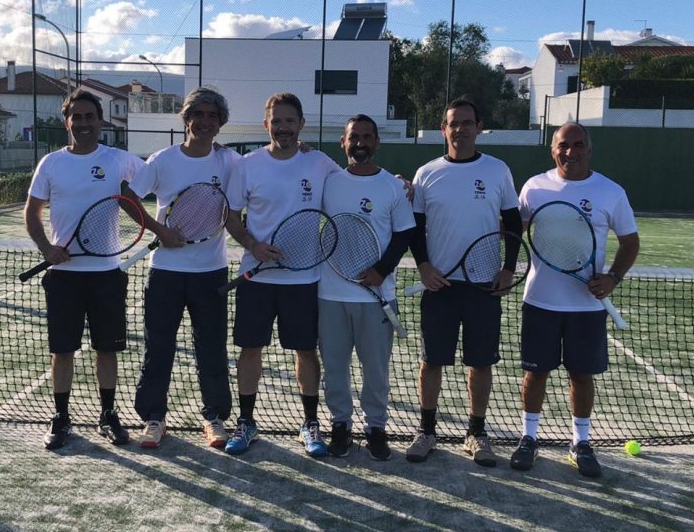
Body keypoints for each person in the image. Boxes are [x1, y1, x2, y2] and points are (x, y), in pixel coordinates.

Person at [510, 122, 640, 478]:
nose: (571, 152)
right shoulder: (534, 187)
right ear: (553, 150)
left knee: (581, 376)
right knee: (535, 373)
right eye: (563, 145)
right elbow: (511, 232)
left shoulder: (610, 192)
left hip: (586, 307)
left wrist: (612, 278)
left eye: (578, 145)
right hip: (540, 301)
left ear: (589, 149)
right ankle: (528, 437)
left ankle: (580, 442)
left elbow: (630, 243)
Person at [222, 92, 342, 457]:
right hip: (256, 279)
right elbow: (230, 217)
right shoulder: (246, 165)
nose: (283, 128)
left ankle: (309, 424)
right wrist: (253, 245)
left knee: (306, 352)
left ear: (301, 125)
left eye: (290, 121)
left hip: (304, 281)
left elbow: (355, 186)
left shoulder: (320, 163)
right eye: (277, 121)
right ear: (266, 124)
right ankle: (246, 422)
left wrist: (396, 181)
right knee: (250, 350)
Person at [25, 89, 145, 451]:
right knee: (62, 351)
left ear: (101, 121)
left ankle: (108, 415)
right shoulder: (51, 163)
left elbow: (163, 173)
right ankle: (60, 418)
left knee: (106, 350)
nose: (83, 123)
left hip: (107, 274)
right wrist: (47, 248)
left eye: (89, 116)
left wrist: (215, 153)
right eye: (76, 117)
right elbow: (31, 213)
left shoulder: (121, 161)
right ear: (67, 122)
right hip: (64, 277)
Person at [406, 98, 522, 465]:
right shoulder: (427, 172)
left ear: (478, 127)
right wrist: (423, 266)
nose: (460, 129)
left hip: (483, 287)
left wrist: (508, 269)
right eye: (454, 123)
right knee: (431, 362)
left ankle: (476, 433)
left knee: (481, 363)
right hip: (439, 287)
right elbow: (416, 228)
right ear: (444, 129)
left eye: (467, 122)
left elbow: (513, 222)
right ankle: (426, 431)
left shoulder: (498, 170)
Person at [125, 87, 240, 450]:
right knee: (159, 347)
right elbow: (127, 195)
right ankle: (153, 419)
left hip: (212, 273)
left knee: (211, 348)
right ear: (186, 118)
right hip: (166, 273)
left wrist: (300, 148)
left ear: (220, 123)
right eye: (198, 114)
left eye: (212, 116)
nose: (205, 122)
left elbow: (270, 161)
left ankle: (215, 419)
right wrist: (160, 230)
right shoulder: (162, 160)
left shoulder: (231, 162)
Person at [318, 114, 416, 460]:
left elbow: (405, 232)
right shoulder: (328, 181)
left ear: (377, 142)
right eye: (353, 137)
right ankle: (340, 425)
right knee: (334, 366)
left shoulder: (392, 185)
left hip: (377, 296)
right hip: (330, 294)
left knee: (375, 369)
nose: (359, 143)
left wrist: (382, 269)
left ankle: (376, 427)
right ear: (343, 143)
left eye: (366, 137)